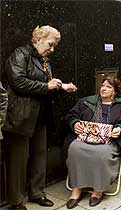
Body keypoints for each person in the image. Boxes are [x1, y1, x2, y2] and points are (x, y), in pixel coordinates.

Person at [2, 25, 77, 210]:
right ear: (38, 39)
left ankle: (37, 193)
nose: (52, 49)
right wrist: (47, 86)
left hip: (40, 116)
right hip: (21, 116)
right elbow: (17, 81)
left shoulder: (44, 60)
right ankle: (16, 200)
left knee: (39, 157)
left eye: (54, 46)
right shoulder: (20, 54)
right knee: (18, 161)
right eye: (50, 44)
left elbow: (45, 84)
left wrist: (60, 86)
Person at [64, 74, 121, 209]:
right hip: (85, 138)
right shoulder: (86, 101)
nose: (103, 89)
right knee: (74, 149)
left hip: (109, 141)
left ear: (115, 91)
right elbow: (71, 115)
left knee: (101, 154)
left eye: (108, 87)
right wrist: (74, 123)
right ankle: (76, 189)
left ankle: (98, 190)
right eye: (102, 86)